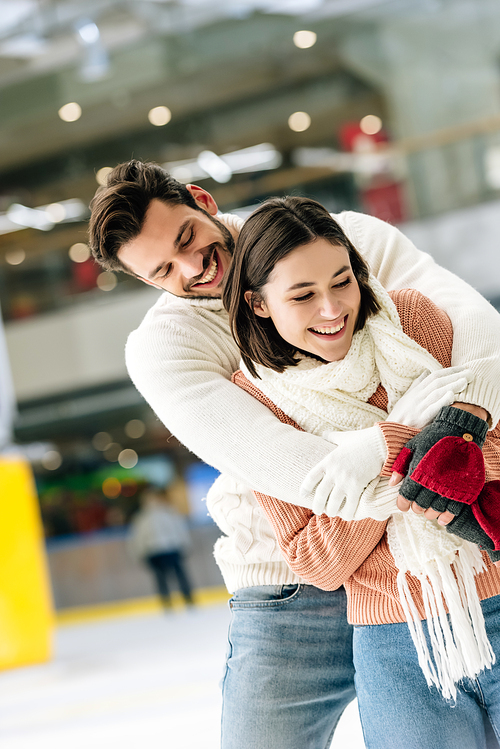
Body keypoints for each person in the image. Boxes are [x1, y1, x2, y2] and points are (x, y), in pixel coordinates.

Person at [88, 160, 500, 748]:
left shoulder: (338, 240)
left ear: (202, 200)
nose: (193, 267)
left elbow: (482, 346)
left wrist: (438, 434)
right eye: (163, 270)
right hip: (295, 580)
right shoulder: (164, 349)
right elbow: (299, 471)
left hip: (450, 551)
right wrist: (407, 435)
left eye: (187, 238)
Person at [222, 195, 500, 749]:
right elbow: (316, 560)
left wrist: (388, 468)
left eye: (342, 281)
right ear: (257, 304)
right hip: (396, 644)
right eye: (302, 295)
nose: (332, 309)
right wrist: (399, 439)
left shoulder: (413, 321)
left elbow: (490, 439)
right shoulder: (255, 400)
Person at [128, 486, 194, 608]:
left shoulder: (148, 516)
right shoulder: (152, 516)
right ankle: (182, 599)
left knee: (166, 577)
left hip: (162, 550)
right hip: (164, 550)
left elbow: (137, 538)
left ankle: (174, 600)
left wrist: (140, 553)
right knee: (171, 576)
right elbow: (179, 530)